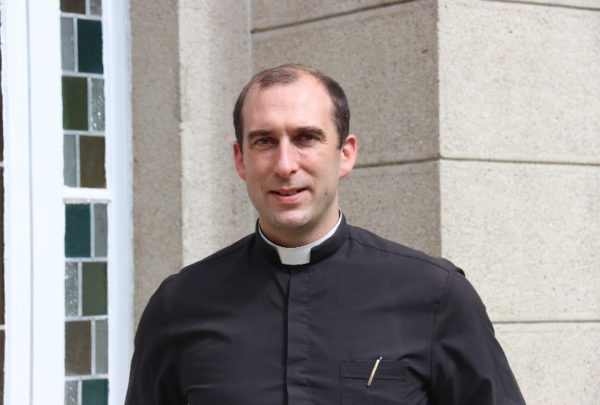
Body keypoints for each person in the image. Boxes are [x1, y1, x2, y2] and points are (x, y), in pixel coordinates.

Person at [125, 64, 525, 405]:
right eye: (264, 141)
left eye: (306, 138)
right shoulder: (179, 306)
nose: (285, 165)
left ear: (345, 154)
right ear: (240, 160)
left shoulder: (437, 296)